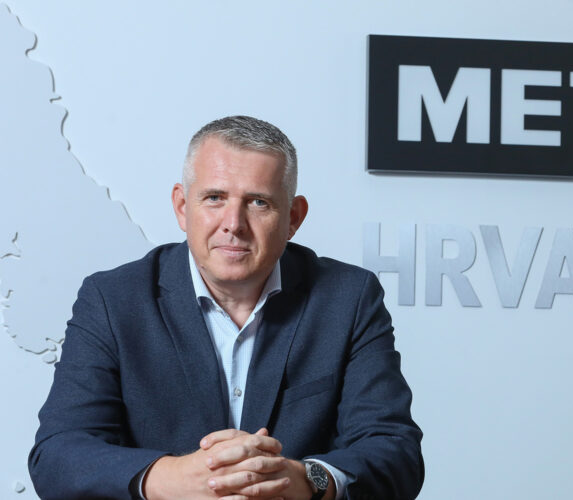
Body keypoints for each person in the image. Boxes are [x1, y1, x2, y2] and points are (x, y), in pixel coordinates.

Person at [28, 116, 424, 500]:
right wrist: (172, 479)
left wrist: (303, 480)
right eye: (215, 198)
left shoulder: (348, 298)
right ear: (182, 206)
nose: (233, 223)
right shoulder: (112, 299)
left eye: (258, 202)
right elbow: (58, 455)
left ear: (293, 218)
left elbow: (395, 451)